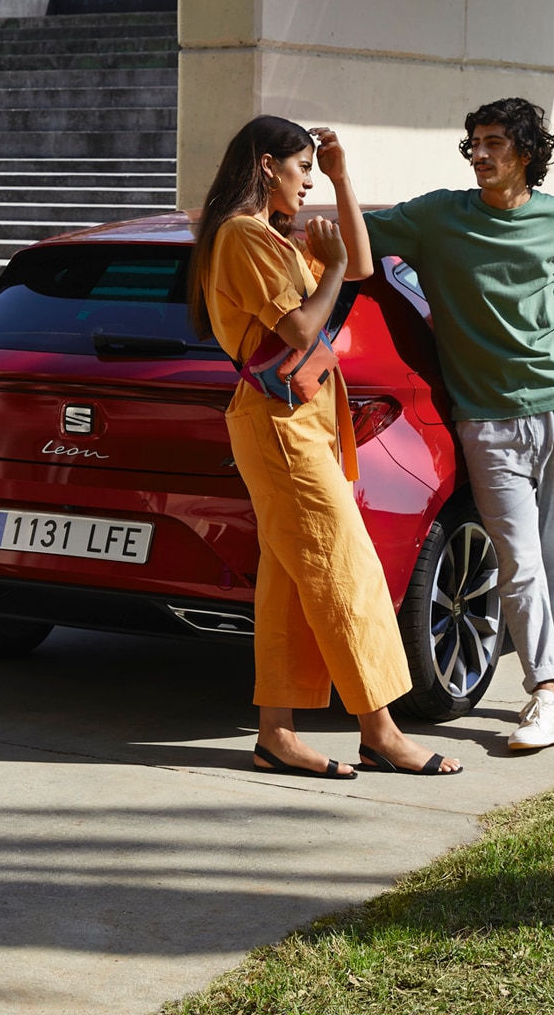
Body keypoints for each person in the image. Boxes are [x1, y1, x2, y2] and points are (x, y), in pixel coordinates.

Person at [188, 115, 462, 778]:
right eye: (303, 167)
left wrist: (343, 181)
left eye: (314, 169)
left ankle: (276, 734)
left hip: (298, 421)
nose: (308, 180)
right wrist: (333, 265)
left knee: (289, 582)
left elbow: (362, 266)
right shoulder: (241, 238)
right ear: (265, 165)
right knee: (346, 571)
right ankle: (382, 731)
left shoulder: (273, 239)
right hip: (281, 427)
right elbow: (304, 322)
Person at [363, 97, 554, 752]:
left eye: (495, 143)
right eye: (475, 141)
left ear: (527, 154)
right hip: (488, 422)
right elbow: (358, 236)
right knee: (519, 560)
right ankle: (545, 693)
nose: (480, 153)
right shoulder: (437, 217)